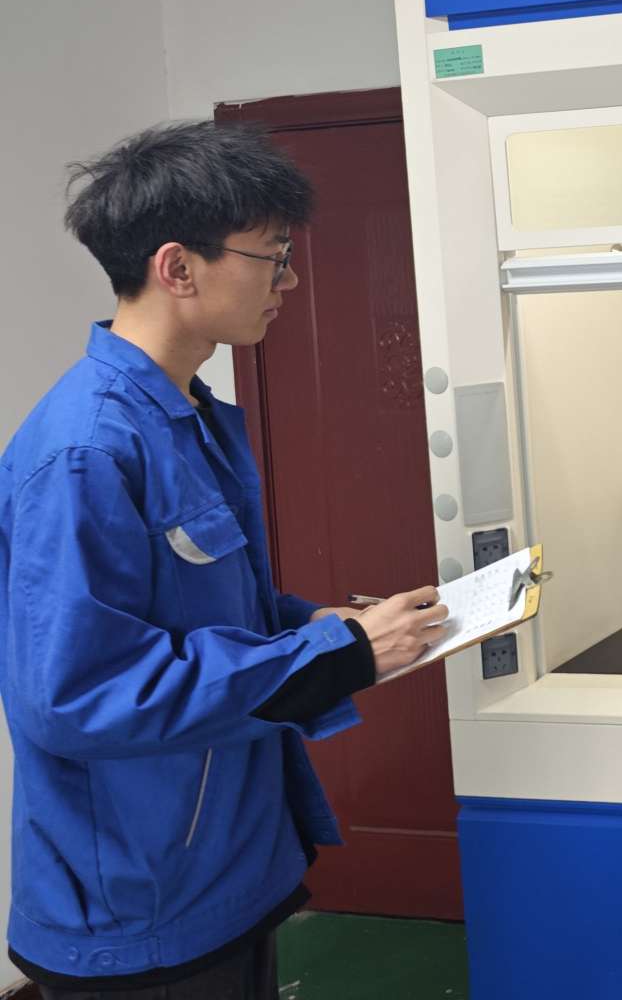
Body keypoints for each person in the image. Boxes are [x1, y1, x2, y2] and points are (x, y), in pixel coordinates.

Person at [0, 122, 447, 999]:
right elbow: (79, 697)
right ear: (178, 268)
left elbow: (203, 607)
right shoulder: (86, 451)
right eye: (273, 257)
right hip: (138, 901)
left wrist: (321, 626)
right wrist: (335, 657)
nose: (289, 280)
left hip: (222, 864)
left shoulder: (186, 413)